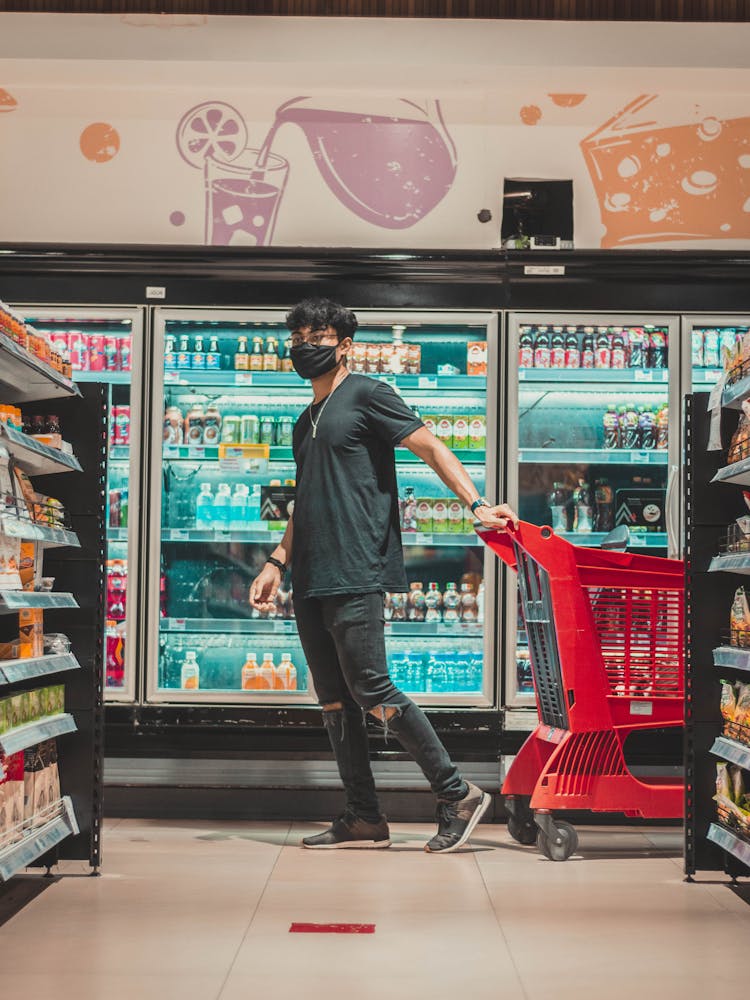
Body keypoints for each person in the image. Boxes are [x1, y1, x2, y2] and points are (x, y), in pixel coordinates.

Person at [249, 298, 518, 854]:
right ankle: (364, 815)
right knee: (332, 699)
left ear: (344, 343)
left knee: (370, 686)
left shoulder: (369, 394)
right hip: (310, 573)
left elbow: (430, 444)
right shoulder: (305, 422)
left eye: (317, 335)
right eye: (298, 334)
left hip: (356, 566)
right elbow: (303, 499)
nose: (305, 344)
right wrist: (277, 560)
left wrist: (476, 505)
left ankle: (457, 792)